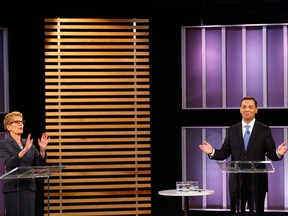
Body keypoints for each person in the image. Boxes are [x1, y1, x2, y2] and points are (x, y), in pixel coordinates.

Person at [199, 96, 287, 216]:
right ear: (240, 109)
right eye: (244, 107)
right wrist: (212, 151)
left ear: (256, 110)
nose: (247, 109)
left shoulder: (264, 130)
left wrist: (278, 153)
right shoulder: (232, 130)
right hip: (237, 184)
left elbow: (271, 153)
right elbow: (225, 152)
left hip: (257, 184)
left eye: (251, 107)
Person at [0, 111, 50, 216]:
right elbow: (9, 164)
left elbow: (40, 166)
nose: (21, 124)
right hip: (13, 189)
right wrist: (23, 151)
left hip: (29, 188)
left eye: (21, 122)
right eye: (17, 122)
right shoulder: (3, 144)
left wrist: (42, 150)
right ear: (9, 127)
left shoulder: (29, 143)